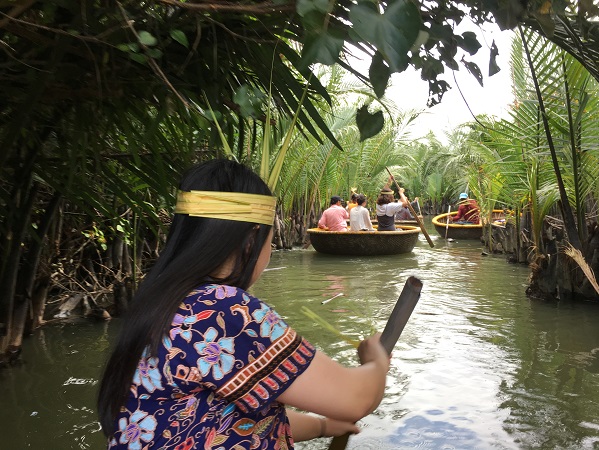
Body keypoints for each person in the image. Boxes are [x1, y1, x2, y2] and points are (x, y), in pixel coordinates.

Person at [97, 159, 389, 450]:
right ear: (251, 240)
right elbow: (355, 399)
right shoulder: (223, 310)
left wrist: (322, 426)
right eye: (270, 242)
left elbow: (224, 419)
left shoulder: (161, 303)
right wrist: (377, 360)